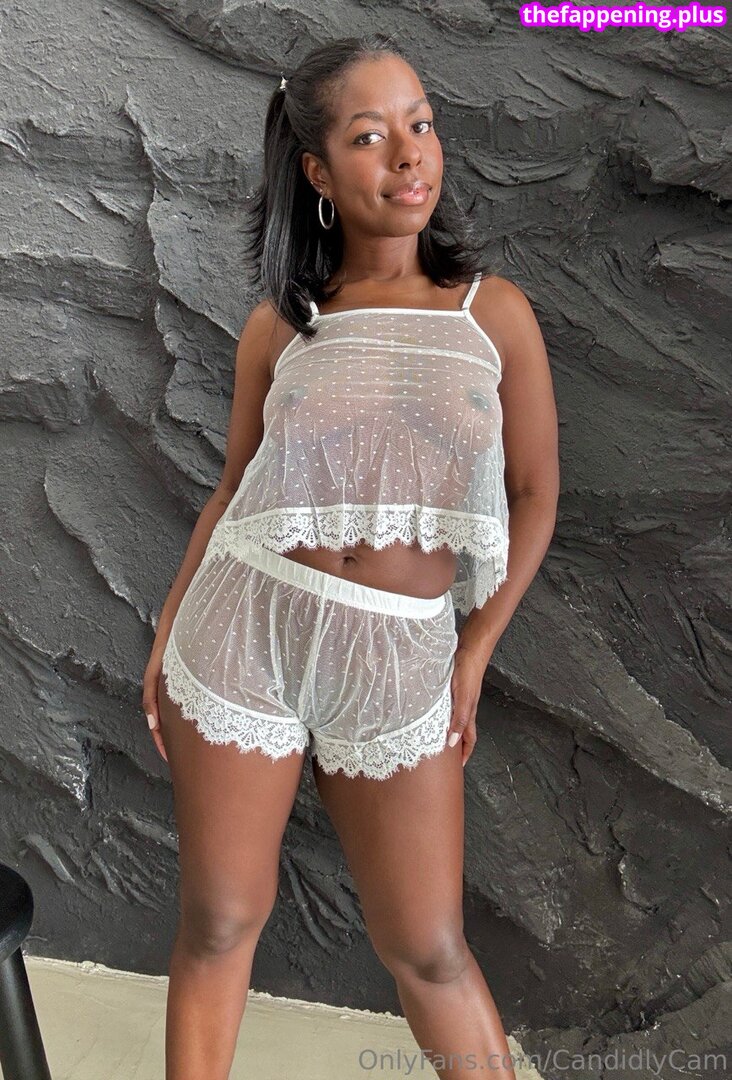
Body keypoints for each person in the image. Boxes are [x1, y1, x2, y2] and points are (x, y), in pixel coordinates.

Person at [141, 34, 559, 1080]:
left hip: (401, 654)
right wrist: (167, 630)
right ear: (319, 172)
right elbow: (233, 492)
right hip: (245, 631)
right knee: (219, 923)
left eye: (421, 124)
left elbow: (535, 495)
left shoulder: (492, 314)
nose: (410, 153)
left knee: (429, 947)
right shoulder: (281, 325)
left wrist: (474, 651)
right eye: (371, 137)